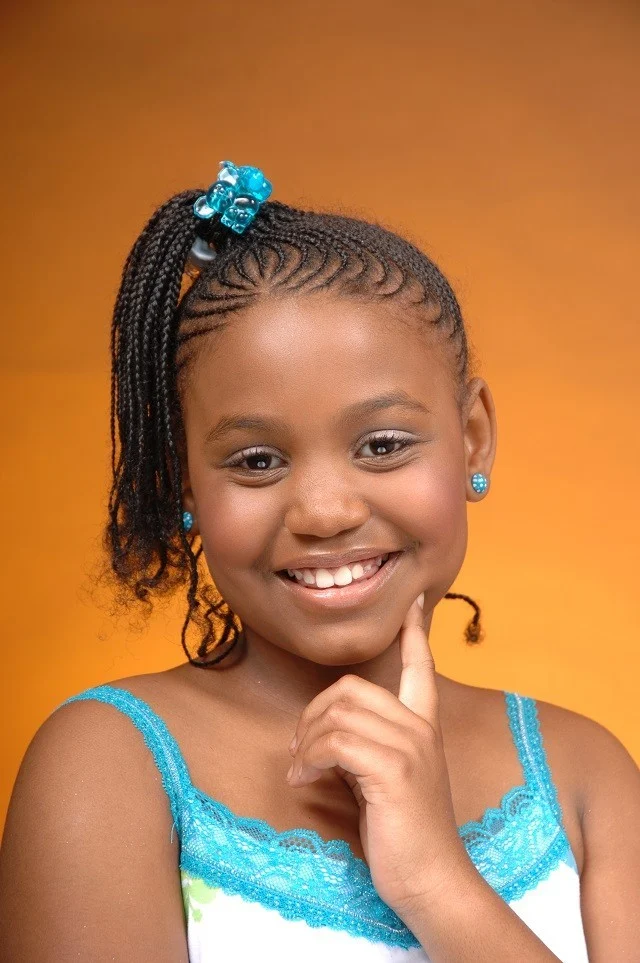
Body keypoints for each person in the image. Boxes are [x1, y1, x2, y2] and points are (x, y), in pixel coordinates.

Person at [0, 162, 638, 963]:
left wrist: (437, 882)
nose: (326, 512)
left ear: (472, 436)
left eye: (382, 444)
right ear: (181, 477)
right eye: (258, 460)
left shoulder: (583, 774)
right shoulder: (109, 768)